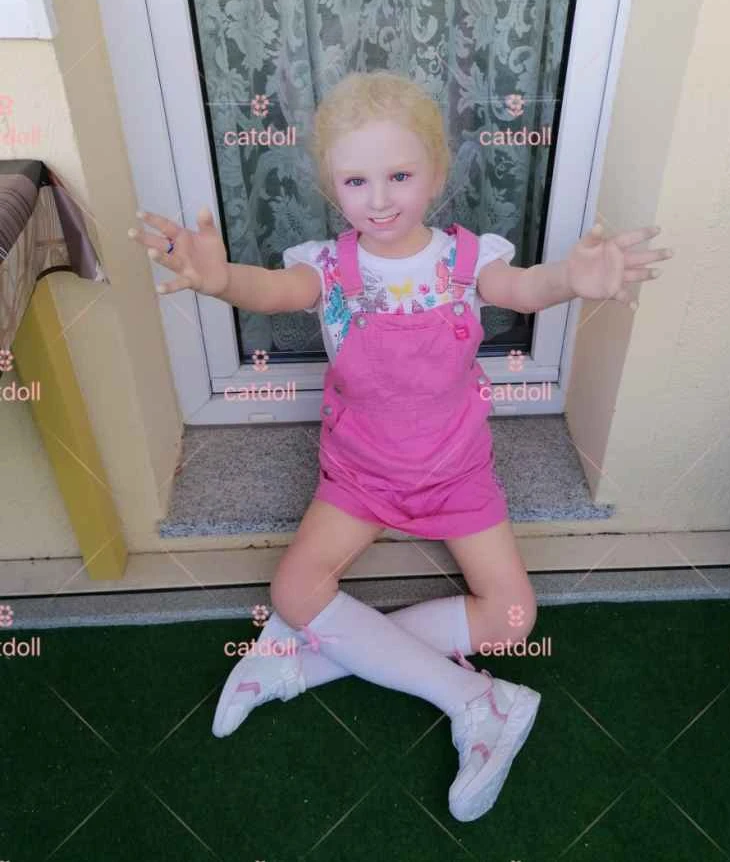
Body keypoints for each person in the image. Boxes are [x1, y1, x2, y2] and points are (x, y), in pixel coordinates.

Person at [128, 70, 672, 821]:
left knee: (514, 617)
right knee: (294, 590)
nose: (379, 199)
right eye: (357, 181)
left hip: (457, 474)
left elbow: (524, 288)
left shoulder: (468, 260)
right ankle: (476, 700)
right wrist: (219, 278)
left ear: (437, 175)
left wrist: (574, 279)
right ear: (333, 187)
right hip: (360, 475)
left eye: (400, 176)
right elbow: (269, 291)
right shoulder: (325, 268)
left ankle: (300, 662)